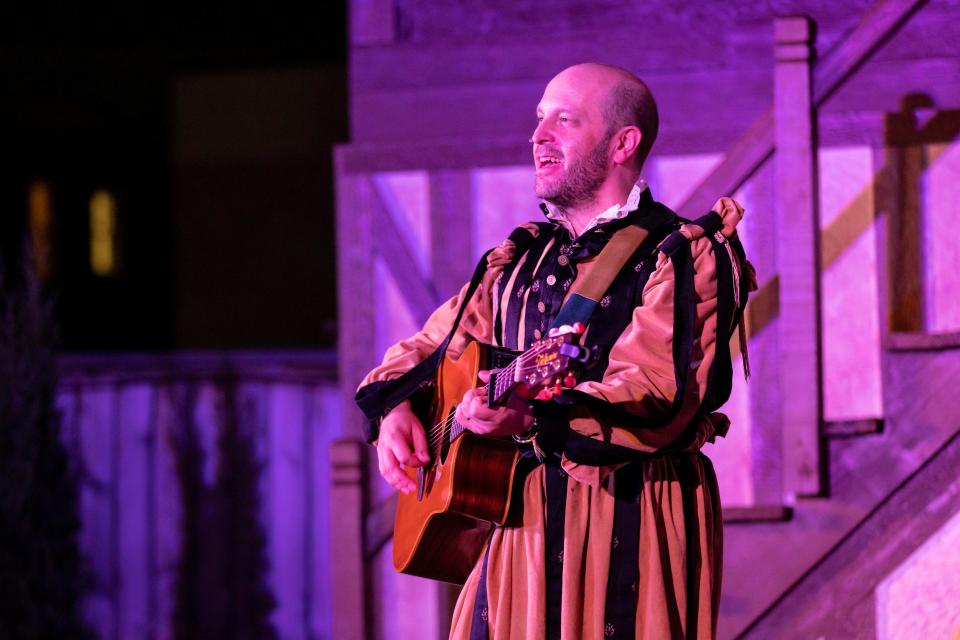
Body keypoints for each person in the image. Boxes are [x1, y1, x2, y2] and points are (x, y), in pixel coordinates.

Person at [357, 63, 752, 639]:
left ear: (623, 143)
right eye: (539, 119)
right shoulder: (516, 260)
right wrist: (395, 412)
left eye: (563, 120)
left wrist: (533, 415)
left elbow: (658, 393)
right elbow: (428, 350)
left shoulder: (682, 253)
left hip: (624, 517)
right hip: (516, 532)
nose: (538, 136)